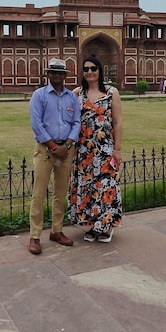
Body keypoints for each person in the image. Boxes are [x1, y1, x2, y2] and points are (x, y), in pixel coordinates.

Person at [28, 58, 81, 255]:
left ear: (65, 75)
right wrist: (52, 145)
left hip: (66, 149)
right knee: (39, 194)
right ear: (48, 74)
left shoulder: (71, 98)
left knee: (61, 193)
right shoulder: (39, 95)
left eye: (60, 73)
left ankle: (56, 231)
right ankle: (34, 236)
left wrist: (67, 144)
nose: (57, 76)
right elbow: (36, 123)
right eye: (53, 72)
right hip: (45, 149)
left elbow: (76, 122)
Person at [68, 55, 123, 243]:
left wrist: (117, 149)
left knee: (105, 186)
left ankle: (106, 226)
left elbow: (117, 121)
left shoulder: (111, 92)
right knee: (88, 187)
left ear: (100, 70)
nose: (89, 72)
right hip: (83, 150)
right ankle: (92, 226)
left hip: (105, 148)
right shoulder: (77, 93)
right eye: (86, 69)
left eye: (93, 68)